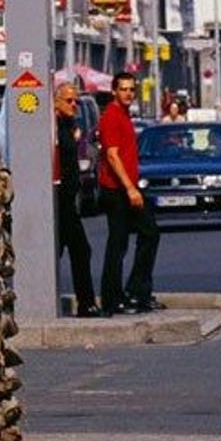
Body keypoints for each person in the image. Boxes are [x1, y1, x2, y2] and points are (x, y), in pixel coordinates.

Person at [97, 71, 160, 314]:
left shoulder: (124, 115)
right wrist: (130, 188)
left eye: (131, 89)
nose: (128, 93)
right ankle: (114, 299)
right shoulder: (112, 116)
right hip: (117, 191)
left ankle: (137, 291)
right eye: (123, 89)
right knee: (119, 243)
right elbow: (112, 156)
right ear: (114, 91)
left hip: (126, 189)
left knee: (148, 233)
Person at [54, 80, 97, 316]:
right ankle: (86, 303)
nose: (74, 106)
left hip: (69, 199)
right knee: (79, 250)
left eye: (76, 101)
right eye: (69, 101)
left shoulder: (69, 124)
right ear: (55, 102)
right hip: (60, 201)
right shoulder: (53, 128)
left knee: (75, 251)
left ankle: (86, 303)